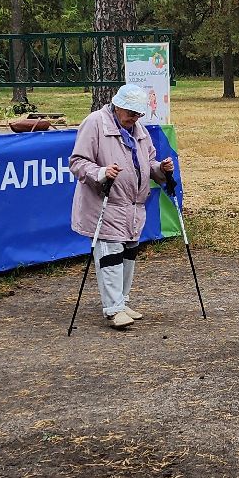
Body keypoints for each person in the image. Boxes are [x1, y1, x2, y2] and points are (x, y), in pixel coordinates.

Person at [69, 83, 176, 329]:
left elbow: (148, 162)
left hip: (134, 206)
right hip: (105, 204)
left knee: (128, 255)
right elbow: (77, 162)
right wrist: (101, 172)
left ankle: (122, 301)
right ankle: (113, 309)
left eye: (138, 114)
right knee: (110, 257)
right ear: (117, 106)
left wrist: (161, 169)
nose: (134, 118)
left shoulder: (138, 129)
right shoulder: (95, 122)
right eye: (131, 113)